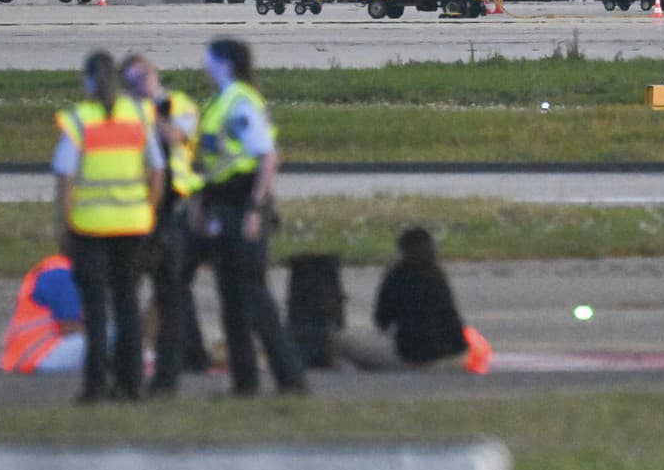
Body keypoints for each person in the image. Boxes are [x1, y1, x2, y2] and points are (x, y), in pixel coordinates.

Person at [194, 37, 307, 396]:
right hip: (222, 204)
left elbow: (267, 157)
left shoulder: (240, 102)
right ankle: (244, 382)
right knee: (230, 297)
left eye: (209, 58)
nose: (203, 63)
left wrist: (255, 209)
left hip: (242, 204)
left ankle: (291, 378)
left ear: (224, 62)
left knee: (254, 296)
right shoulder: (221, 100)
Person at [53, 51, 164, 403]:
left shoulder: (80, 119)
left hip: (89, 228)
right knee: (128, 305)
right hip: (132, 225)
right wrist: (147, 207)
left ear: (87, 80)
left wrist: (62, 223)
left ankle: (96, 385)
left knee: (97, 310)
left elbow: (66, 178)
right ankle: (132, 385)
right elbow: (157, 171)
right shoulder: (139, 115)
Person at [121, 54, 208, 395]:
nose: (139, 84)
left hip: (178, 204)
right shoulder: (129, 110)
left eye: (143, 76)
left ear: (156, 75)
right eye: (132, 80)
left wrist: (146, 116)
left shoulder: (179, 104)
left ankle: (187, 356)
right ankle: (190, 354)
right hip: (141, 207)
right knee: (172, 288)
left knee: (175, 285)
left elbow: (177, 135)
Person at [334, 227, 470, 371]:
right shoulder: (438, 275)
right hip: (457, 357)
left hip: (416, 359)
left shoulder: (397, 275)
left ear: (401, 250)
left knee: (341, 341)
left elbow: (381, 321)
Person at [2, 255, 87, 374]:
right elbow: (70, 328)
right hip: (41, 355)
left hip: (29, 355)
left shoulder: (59, 269)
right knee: (116, 336)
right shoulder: (59, 274)